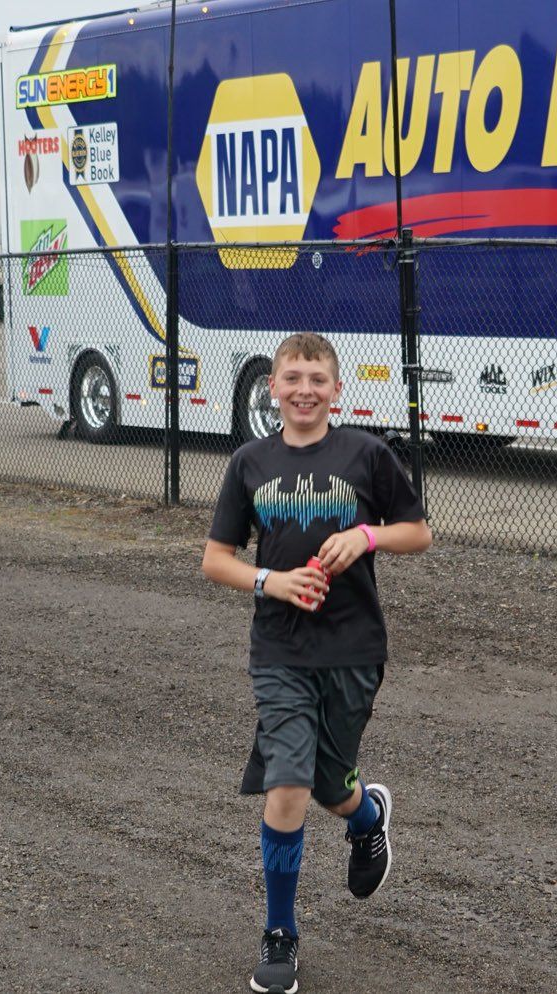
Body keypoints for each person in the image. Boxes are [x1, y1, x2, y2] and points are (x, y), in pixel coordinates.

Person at [202, 332, 432, 994]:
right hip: (280, 648)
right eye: (292, 377)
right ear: (271, 389)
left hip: (354, 647)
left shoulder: (367, 455)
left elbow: (418, 532)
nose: (304, 388)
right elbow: (215, 558)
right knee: (288, 786)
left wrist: (366, 535)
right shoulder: (249, 462)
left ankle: (366, 820)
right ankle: (280, 935)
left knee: (331, 788)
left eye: (317, 378)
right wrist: (267, 581)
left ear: (337, 390)